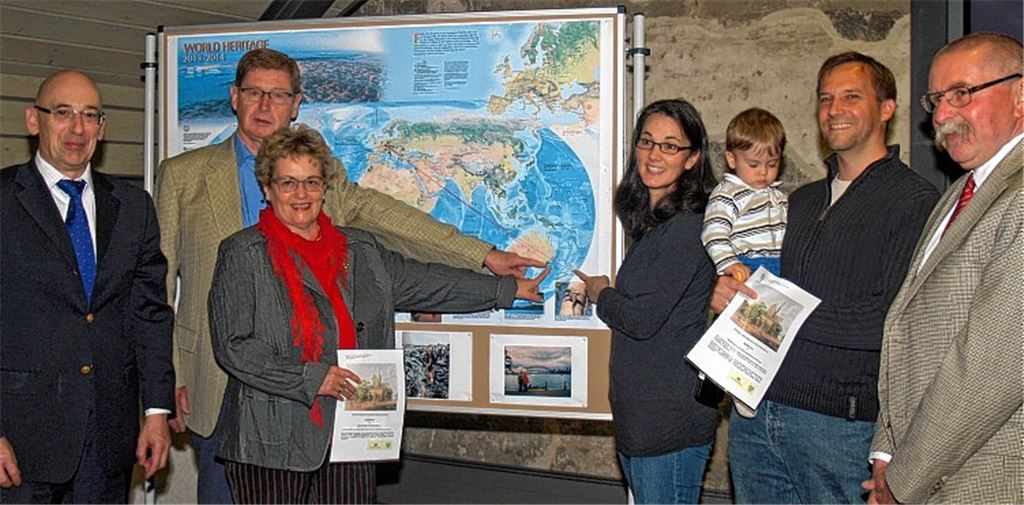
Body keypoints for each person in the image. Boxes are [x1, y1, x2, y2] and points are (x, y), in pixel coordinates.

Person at [156, 48, 542, 502]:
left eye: (278, 95)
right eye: (255, 93)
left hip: (334, 399)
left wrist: (482, 256)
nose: (265, 106)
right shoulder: (184, 178)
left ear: (296, 104)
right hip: (216, 386)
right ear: (234, 97)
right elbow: (156, 289)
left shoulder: (328, 178)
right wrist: (164, 382)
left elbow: (391, 227)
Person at [720, 52, 940, 503]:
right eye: (825, 98)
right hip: (756, 414)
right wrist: (731, 289)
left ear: (887, 108)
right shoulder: (796, 201)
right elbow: (761, 282)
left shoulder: (914, 199)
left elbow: (890, 321)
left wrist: (777, 314)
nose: (834, 109)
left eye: (851, 96)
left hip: (838, 429)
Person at [0, 70, 174, 502]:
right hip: (19, 444)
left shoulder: (134, 207)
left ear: (102, 127)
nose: (78, 128)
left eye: (90, 115)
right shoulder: (3, 200)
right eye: (63, 113)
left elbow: (148, 314)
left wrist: (156, 411)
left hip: (108, 441)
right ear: (33, 120)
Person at [865, 32, 1022, 504]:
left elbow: (989, 367)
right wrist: (885, 453)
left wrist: (903, 481)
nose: (943, 115)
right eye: (936, 100)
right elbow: (906, 328)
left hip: (982, 481)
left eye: (962, 94)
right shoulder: (962, 191)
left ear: (1021, 96)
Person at [575, 99, 719, 504]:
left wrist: (602, 293)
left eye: (670, 146)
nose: (655, 154)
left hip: (668, 419)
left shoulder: (687, 228)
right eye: (647, 141)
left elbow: (641, 320)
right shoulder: (658, 227)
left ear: (692, 160)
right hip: (645, 417)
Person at [702, 107, 788, 281]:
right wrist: (729, 263)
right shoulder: (727, 195)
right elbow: (714, 233)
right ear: (732, 159)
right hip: (747, 266)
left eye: (772, 164)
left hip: (782, 265)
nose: (763, 172)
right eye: (754, 165)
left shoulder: (779, 197)